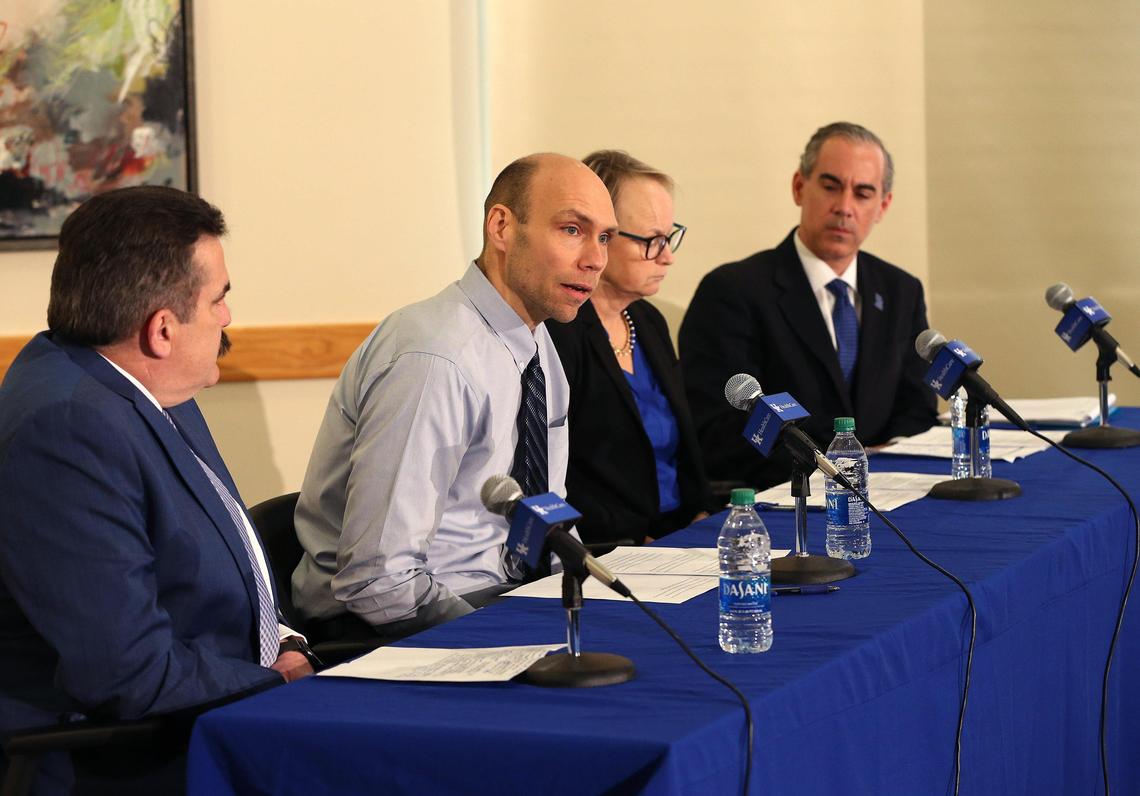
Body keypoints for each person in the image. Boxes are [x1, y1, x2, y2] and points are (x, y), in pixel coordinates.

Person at [0, 186, 313, 794]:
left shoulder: (144, 383)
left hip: (215, 713)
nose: (226, 316)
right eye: (219, 298)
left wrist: (286, 643)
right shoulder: (66, 428)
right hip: (126, 762)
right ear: (162, 329)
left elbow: (218, 569)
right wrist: (279, 679)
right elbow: (128, 673)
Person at [292, 153, 617, 641]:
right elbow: (379, 581)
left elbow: (548, 520)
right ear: (502, 227)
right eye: (572, 230)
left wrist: (583, 601)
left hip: (506, 599)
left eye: (606, 237)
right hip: (396, 629)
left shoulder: (537, 344)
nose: (595, 259)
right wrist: (497, 638)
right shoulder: (435, 359)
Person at [679, 122, 937, 490]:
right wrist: (833, 470)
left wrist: (878, 467)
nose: (844, 207)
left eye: (863, 193)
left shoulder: (900, 291)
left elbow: (918, 409)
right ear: (800, 187)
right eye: (831, 186)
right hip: (784, 499)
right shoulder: (733, 291)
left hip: (887, 497)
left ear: (883, 206)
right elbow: (721, 429)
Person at [546, 151, 712, 547]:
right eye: (652, 241)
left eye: (670, 238)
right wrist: (625, 544)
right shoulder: (557, 331)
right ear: (601, 236)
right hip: (610, 550)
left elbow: (683, 449)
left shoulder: (648, 321)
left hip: (681, 535)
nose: (668, 257)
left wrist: (702, 514)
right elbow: (557, 474)